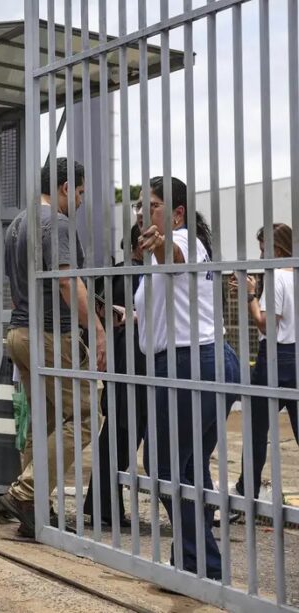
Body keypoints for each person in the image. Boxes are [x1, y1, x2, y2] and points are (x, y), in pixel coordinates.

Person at [135, 176, 240, 580]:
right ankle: (190, 562)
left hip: (189, 364)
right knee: (190, 468)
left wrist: (160, 243)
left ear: (177, 213)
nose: (144, 212)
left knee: (163, 465)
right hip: (204, 360)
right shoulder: (163, 255)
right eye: (141, 206)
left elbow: (175, 255)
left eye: (154, 205)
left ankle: (204, 565)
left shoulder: (185, 241)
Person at [0, 158, 106, 538]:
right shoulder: (55, 222)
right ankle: (25, 492)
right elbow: (64, 281)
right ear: (63, 188)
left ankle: (34, 507)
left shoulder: (17, 224)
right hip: (49, 334)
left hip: (20, 332)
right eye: (78, 192)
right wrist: (96, 327)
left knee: (43, 421)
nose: (78, 201)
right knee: (89, 414)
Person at [84, 224, 147, 527]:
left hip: (116, 361)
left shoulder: (111, 275)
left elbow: (96, 311)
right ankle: (104, 505)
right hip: (138, 364)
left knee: (116, 434)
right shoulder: (141, 275)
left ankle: (101, 504)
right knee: (125, 436)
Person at [232, 223, 297, 510]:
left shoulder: (275, 277)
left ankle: (248, 491)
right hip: (295, 357)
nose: (261, 255)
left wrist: (250, 297)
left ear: (277, 248)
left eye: (263, 248)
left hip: (274, 358)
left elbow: (265, 323)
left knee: (257, 429)